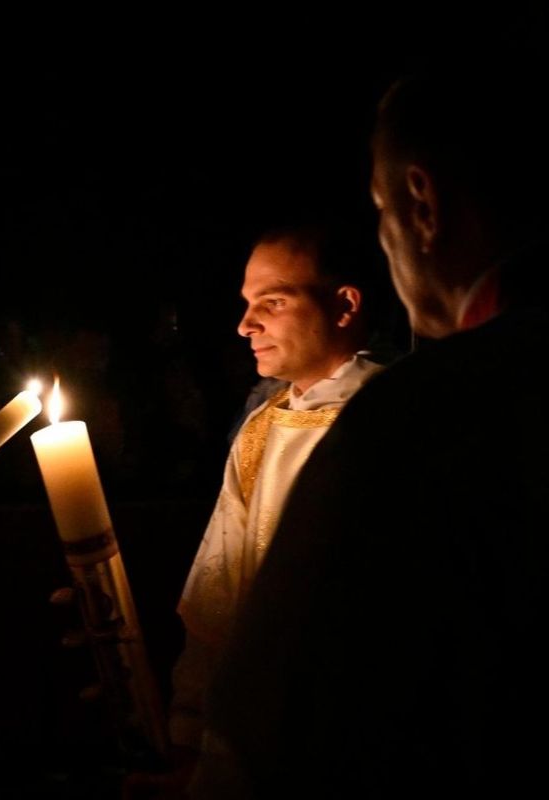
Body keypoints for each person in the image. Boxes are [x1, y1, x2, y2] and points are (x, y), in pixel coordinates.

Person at [195, 60, 549, 797]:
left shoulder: (410, 418)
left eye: (383, 209)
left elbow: (280, 719)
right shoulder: (278, 428)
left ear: (422, 202)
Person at [166, 223, 387, 772]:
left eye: (274, 301)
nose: (245, 325)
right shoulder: (262, 429)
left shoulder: (397, 419)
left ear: (344, 306)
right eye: (246, 304)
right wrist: (188, 732)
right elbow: (217, 599)